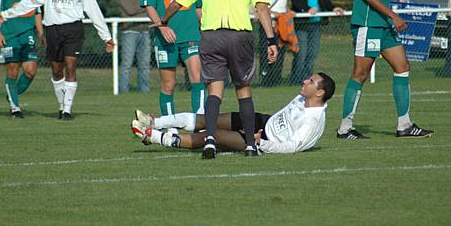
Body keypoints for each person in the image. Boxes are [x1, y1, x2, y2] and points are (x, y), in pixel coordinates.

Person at [153, 0, 278, 158]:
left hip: (211, 37)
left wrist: (163, 21)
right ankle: (250, 144)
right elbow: (261, 9)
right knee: (243, 89)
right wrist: (271, 40)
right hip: (240, 36)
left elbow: (177, 2)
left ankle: (210, 140)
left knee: (214, 89)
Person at [0, 0, 115, 120]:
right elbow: (31, 2)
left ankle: (67, 110)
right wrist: (4, 15)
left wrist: (107, 37)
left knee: (71, 67)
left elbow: (93, 10)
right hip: (52, 29)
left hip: (73, 28)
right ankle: (61, 106)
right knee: (57, 71)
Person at [337, 0, 433, 140]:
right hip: (369, 24)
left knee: (402, 66)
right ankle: (345, 128)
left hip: (383, 26)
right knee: (360, 74)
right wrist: (393, 16)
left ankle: (404, 125)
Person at [131, 72, 335, 154]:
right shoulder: (303, 97)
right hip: (263, 120)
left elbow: (293, 147)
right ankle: (154, 122)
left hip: (263, 139)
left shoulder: (313, 121)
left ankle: (154, 137)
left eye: (310, 81)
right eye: (308, 78)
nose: (305, 81)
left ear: (319, 92)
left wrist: (260, 143)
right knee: (211, 119)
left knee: (213, 136)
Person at [140, 0, 204, 115]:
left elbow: (199, 8)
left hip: (191, 36)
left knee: (197, 78)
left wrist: (207, 30)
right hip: (165, 38)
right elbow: (149, 6)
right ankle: (170, 127)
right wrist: (162, 26)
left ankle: (200, 125)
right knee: (169, 84)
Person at [287, 0, 344, 85]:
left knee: (312, 54)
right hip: (302, 22)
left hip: (316, 23)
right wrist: (306, 9)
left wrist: (332, 8)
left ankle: (307, 81)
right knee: (301, 53)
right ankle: (295, 80)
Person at [117, 0, 151, 93]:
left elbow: (152, 4)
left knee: (145, 65)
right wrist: (145, 9)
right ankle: (123, 91)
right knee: (127, 64)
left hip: (145, 29)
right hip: (130, 30)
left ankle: (144, 91)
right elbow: (130, 10)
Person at [259, 0, 290, 86]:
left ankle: (277, 78)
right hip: (269, 24)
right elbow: (261, 6)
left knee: (280, 52)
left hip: (282, 25)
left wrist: (287, 13)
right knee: (266, 52)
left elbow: (286, 3)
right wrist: (274, 13)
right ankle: (266, 79)